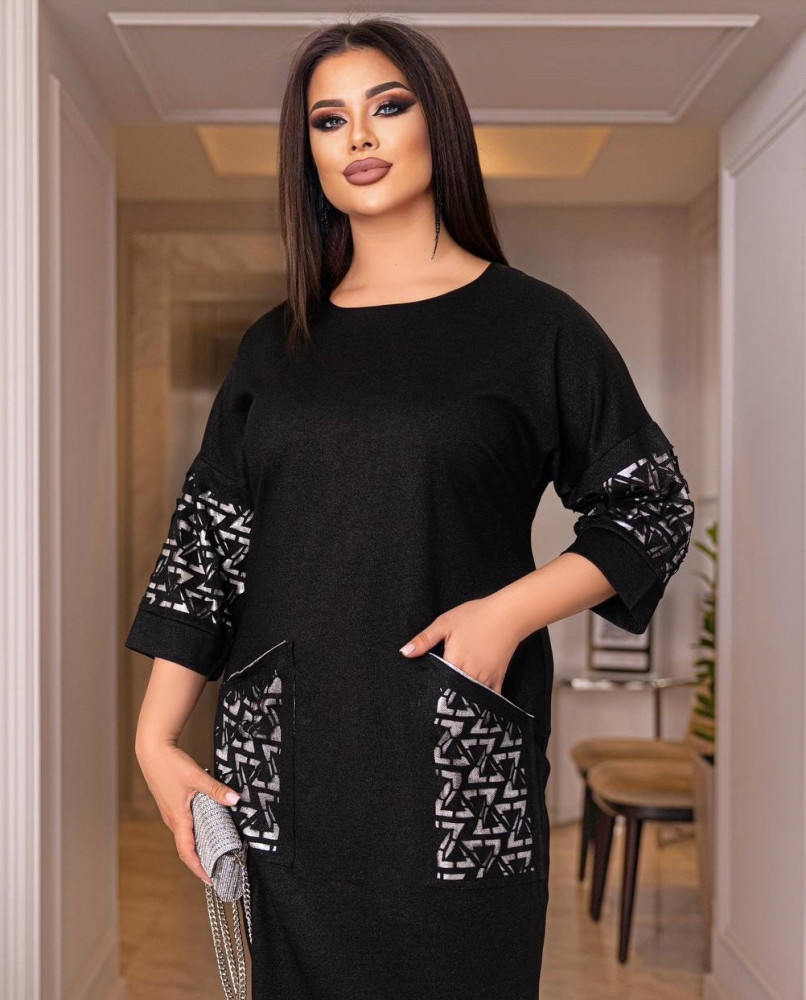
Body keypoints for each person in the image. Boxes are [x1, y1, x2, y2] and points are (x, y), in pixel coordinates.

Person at [125, 15, 695, 1000]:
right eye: (328, 119)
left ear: (438, 125)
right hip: (286, 767)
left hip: (456, 757)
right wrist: (153, 739)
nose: (358, 136)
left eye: (386, 107)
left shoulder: (535, 327)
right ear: (307, 153)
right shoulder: (273, 347)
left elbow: (649, 504)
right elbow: (209, 547)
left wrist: (506, 612)